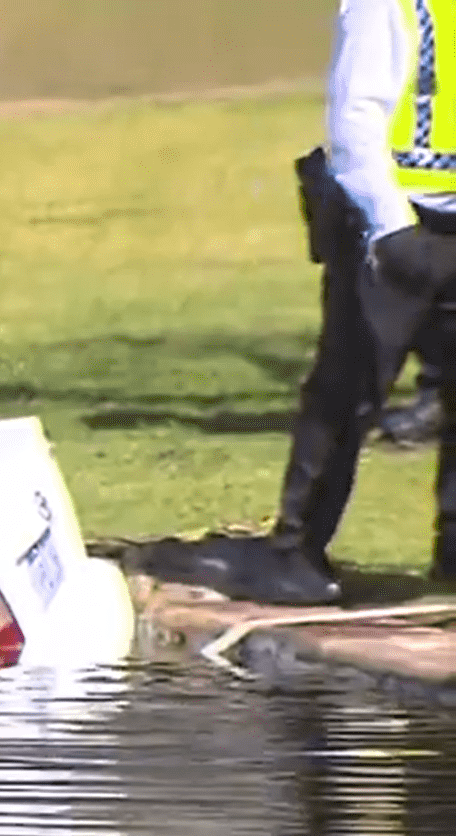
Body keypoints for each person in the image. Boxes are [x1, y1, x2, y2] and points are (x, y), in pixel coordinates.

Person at [149, 0, 456, 604]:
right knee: (367, 394)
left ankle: (319, 554)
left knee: (356, 396)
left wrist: (396, 231)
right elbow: (364, 117)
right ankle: (337, 553)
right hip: (415, 221)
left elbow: (363, 118)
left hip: (419, 224)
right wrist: (396, 228)